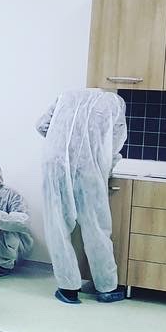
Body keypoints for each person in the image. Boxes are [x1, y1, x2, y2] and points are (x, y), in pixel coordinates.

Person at [36, 88, 128, 305]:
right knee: (96, 227)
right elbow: (115, 141)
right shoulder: (114, 103)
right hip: (90, 167)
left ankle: (68, 289)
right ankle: (107, 288)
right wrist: (103, 158)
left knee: (58, 227)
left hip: (56, 164)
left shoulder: (65, 96)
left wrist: (62, 141)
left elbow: (41, 125)